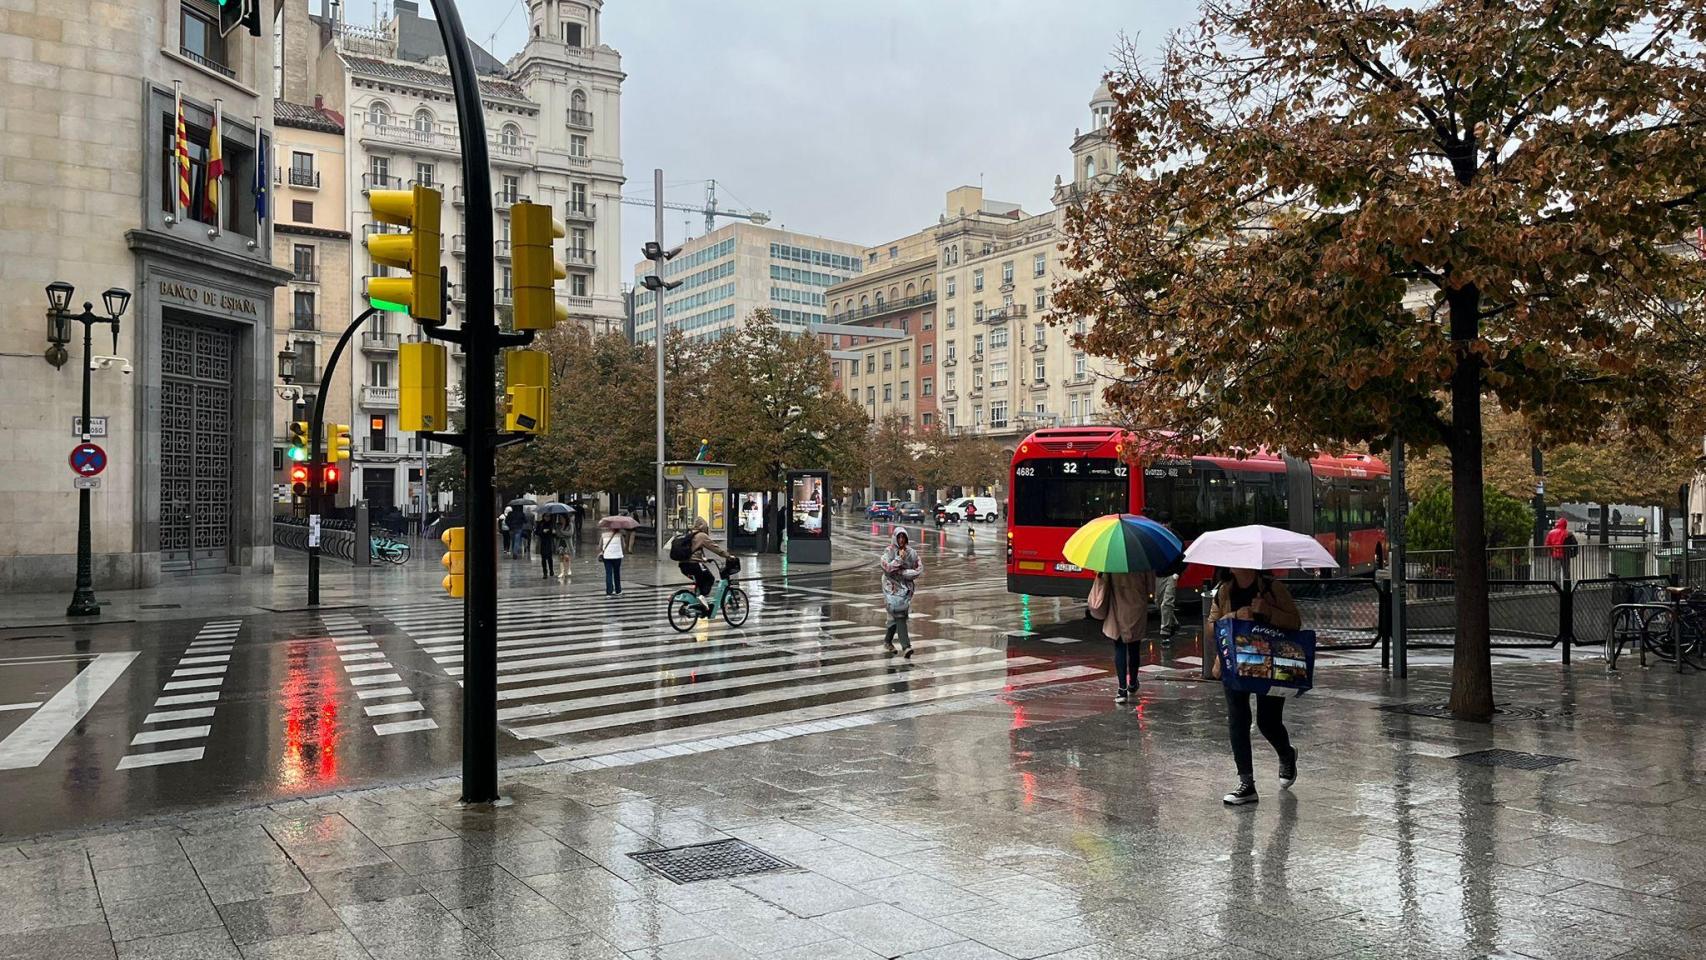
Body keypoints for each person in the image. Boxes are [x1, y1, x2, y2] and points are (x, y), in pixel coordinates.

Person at [1211, 567, 1302, 806]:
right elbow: (1211, 626)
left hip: (1268, 662)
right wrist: (1232, 616)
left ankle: (1286, 753)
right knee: (1237, 718)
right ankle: (1246, 783)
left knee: (1267, 721)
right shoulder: (1223, 591)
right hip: (1234, 662)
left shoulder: (1272, 588)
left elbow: (1295, 622)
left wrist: (1267, 611)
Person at [1090, 569, 1156, 703]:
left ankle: (1122, 690)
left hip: (1117, 607)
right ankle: (1132, 682)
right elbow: (1151, 588)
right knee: (1134, 648)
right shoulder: (1143, 562)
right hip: (1136, 608)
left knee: (1119, 647)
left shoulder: (1112, 563)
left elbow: (1103, 584)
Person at [880, 527, 923, 658]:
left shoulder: (912, 553)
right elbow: (886, 567)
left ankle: (887, 641)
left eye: (903, 537)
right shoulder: (889, 551)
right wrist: (899, 559)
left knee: (897, 615)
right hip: (891, 588)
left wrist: (904, 573)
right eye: (899, 537)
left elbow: (918, 569)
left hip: (905, 589)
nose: (901, 540)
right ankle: (906, 646)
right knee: (899, 614)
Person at [679, 517, 730, 612]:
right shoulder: (701, 536)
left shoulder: (690, 534)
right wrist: (728, 556)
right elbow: (715, 548)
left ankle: (696, 602)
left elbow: (692, 551)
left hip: (683, 565)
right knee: (710, 578)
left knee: (700, 581)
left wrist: (703, 559)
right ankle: (701, 598)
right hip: (694, 565)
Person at [599, 520, 628, 597]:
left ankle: (609, 592)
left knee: (608, 573)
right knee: (616, 573)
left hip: (607, 556)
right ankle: (618, 590)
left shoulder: (603, 535)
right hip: (617, 556)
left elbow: (600, 546)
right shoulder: (620, 535)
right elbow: (623, 546)